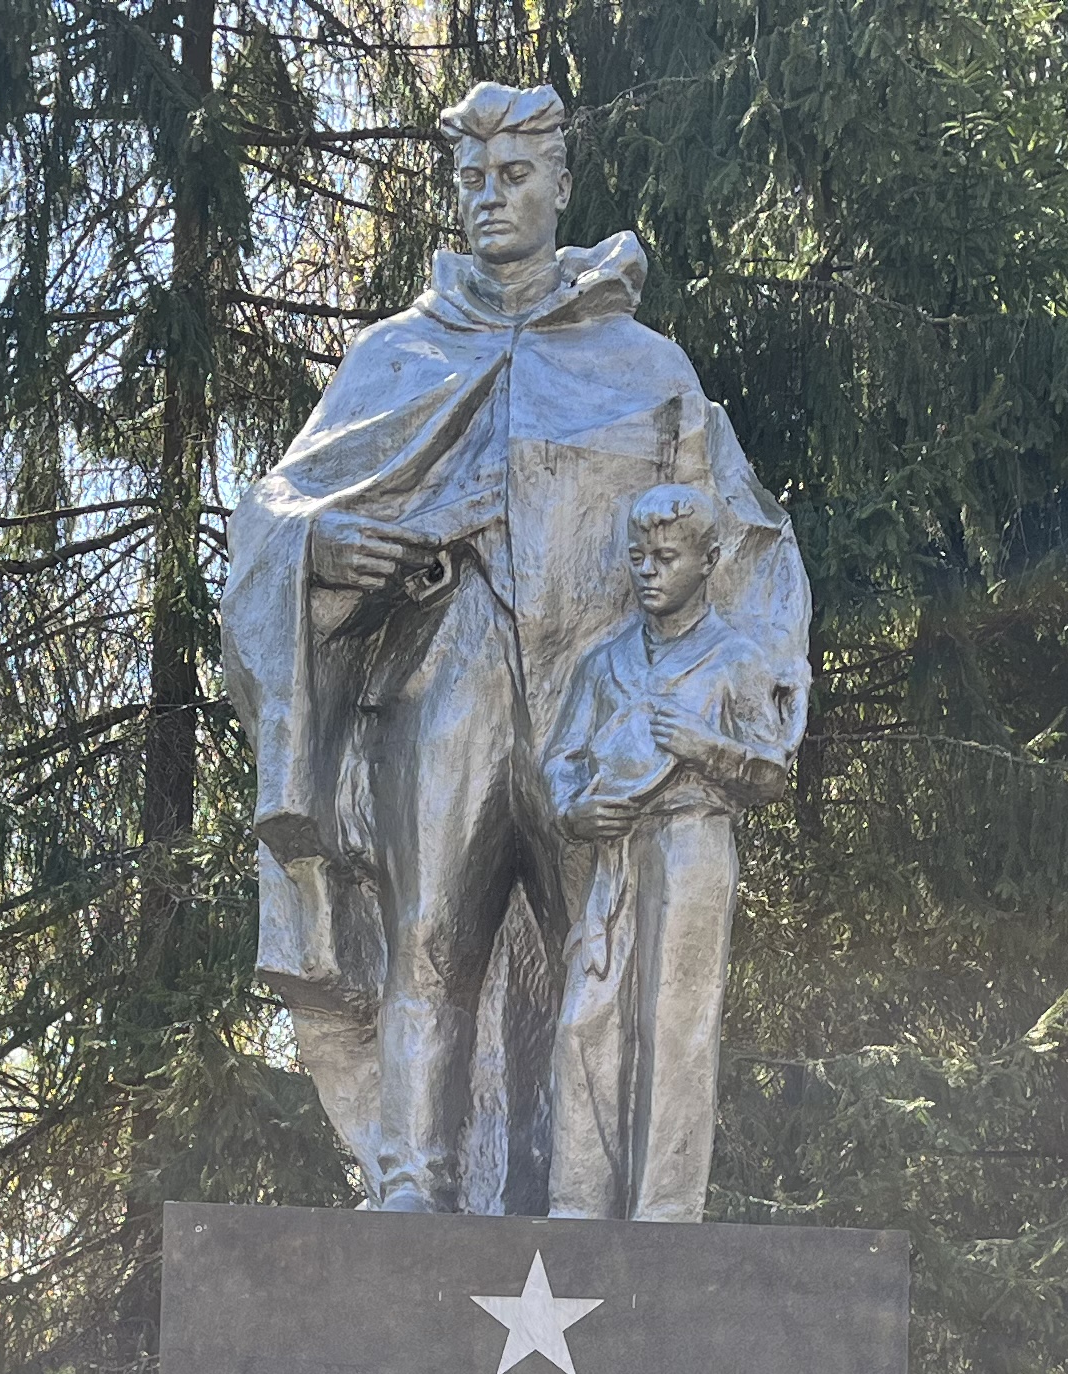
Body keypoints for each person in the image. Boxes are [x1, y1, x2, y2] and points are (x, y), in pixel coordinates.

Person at [222, 78, 808, 1212]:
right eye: (471, 181)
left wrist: (738, 703)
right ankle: (412, 1185)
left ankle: (610, 1205)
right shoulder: (400, 358)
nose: (490, 199)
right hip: (450, 689)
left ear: (560, 187)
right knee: (428, 937)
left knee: (609, 954)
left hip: (604, 716)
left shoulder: (645, 369)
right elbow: (276, 519)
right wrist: (332, 544)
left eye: (515, 177)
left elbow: (741, 538)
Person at [538, 484, 805, 1219]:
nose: (648, 571)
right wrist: (574, 805)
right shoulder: (605, 663)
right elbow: (560, 759)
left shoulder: (735, 660)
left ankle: (663, 1215)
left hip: (692, 845)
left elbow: (772, 771)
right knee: (586, 1022)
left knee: (675, 1025)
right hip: (614, 853)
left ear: (708, 561)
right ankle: (578, 1208)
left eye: (666, 556)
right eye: (637, 557)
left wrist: (709, 748)